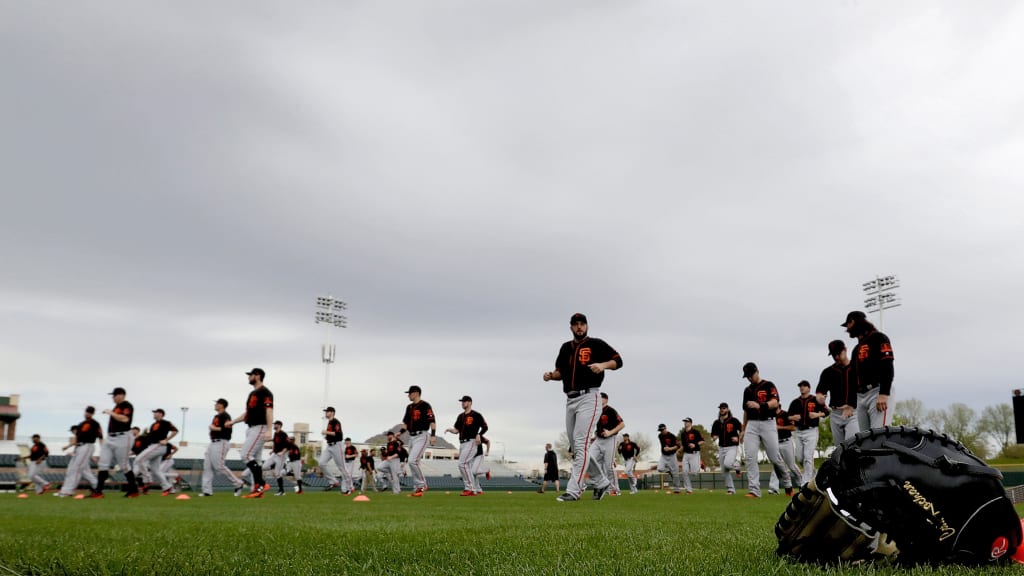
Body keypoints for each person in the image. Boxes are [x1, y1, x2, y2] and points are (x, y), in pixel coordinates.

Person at [543, 312, 622, 502]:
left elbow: (618, 361)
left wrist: (603, 365)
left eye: (582, 324)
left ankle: (574, 490)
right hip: (570, 399)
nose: (579, 327)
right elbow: (560, 372)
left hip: (590, 396)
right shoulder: (565, 348)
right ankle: (601, 481)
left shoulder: (596, 344)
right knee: (578, 448)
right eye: (576, 324)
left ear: (587, 326)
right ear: (571, 327)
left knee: (580, 443)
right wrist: (551, 376)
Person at [740, 362, 792, 498]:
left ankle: (787, 483)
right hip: (751, 424)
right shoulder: (747, 390)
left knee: (775, 457)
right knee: (750, 456)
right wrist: (743, 429)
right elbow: (745, 411)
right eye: (747, 376)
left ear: (757, 371)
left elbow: (775, 403)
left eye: (751, 375)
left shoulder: (769, 385)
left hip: (768, 423)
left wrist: (760, 405)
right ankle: (754, 490)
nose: (749, 378)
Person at [842, 311, 895, 431]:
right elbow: (853, 377)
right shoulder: (856, 348)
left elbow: (888, 365)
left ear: (853, 321)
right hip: (861, 396)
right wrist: (850, 403)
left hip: (877, 391)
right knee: (865, 439)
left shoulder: (879, 337)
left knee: (878, 436)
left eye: (848, 325)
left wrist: (884, 393)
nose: (847, 329)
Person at [228, 367, 274, 499]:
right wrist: (233, 422)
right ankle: (258, 491)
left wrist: (269, 430)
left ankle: (261, 484)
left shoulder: (265, 392)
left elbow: (269, 411)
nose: (248, 377)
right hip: (251, 427)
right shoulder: (252, 394)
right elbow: (248, 413)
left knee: (246, 455)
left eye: (251, 375)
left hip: (260, 427)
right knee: (257, 460)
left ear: (258, 376)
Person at [816, 339, 858, 446]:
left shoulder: (857, 368)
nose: (836, 357)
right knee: (839, 449)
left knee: (851, 444)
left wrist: (852, 405)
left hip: (854, 412)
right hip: (836, 413)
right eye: (834, 355)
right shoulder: (828, 372)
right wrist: (820, 398)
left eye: (838, 353)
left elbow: (864, 391)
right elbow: (820, 392)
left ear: (845, 350)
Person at [200, 398, 245, 498]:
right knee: (207, 467)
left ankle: (238, 483)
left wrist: (214, 428)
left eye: (217, 403)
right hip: (213, 443)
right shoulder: (217, 416)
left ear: (222, 405)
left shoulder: (225, 416)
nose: (215, 405)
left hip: (222, 442)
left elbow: (227, 430)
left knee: (219, 466)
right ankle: (207, 491)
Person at [96, 387, 136, 498]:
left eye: (115, 395)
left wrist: (111, 413)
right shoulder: (117, 407)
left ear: (122, 395)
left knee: (124, 465)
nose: (113, 397)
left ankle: (133, 490)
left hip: (123, 437)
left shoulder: (127, 405)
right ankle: (98, 491)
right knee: (103, 463)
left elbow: (125, 419)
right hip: (110, 438)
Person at [446, 395, 488, 496]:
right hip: (462, 443)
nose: (462, 403)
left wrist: (479, 434)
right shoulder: (461, 416)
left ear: (469, 402)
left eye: (464, 401)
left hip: (471, 442)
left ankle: (470, 488)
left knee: (462, 464)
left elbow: (485, 427)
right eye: (462, 402)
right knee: (466, 466)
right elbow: (456, 430)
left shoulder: (476, 415)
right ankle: (472, 488)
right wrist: (450, 430)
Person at [788, 380, 828, 485]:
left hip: (811, 431)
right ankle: (813, 472)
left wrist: (816, 415)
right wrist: (793, 417)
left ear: (809, 388)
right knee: (800, 458)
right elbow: (788, 416)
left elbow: (827, 412)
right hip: (798, 431)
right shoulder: (795, 402)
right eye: (800, 386)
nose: (802, 388)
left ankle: (805, 483)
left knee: (807, 456)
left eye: (804, 386)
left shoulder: (815, 400)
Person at [58, 406, 102, 498]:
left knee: (77, 468)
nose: (87, 413)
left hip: (87, 446)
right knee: (74, 469)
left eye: (90, 412)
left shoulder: (95, 423)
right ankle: (65, 490)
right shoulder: (81, 424)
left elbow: (100, 436)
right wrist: (68, 446)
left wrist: (102, 450)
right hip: (79, 447)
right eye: (87, 412)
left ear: (93, 413)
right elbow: (77, 438)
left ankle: (68, 491)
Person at [399, 385, 436, 496]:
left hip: (422, 435)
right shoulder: (409, 407)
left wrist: (433, 435)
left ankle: (422, 484)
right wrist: (400, 433)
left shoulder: (425, 405)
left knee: (412, 461)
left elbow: (432, 421)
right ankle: (417, 489)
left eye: (409, 393)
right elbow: (405, 423)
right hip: (412, 437)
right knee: (414, 463)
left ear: (416, 393)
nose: (408, 395)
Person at [134, 409, 179, 496]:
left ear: (161, 414)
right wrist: (145, 434)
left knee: (139, 460)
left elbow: (175, 431)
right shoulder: (153, 425)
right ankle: (167, 487)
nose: (154, 414)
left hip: (158, 445)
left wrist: (167, 439)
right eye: (154, 412)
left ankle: (147, 480)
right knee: (156, 470)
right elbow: (151, 436)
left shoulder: (165, 422)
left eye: (156, 412)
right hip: (154, 446)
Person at [590, 392, 624, 498]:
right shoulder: (596, 411)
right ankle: (600, 485)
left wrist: (610, 432)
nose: (599, 399)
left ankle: (614, 489)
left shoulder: (611, 410)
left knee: (609, 467)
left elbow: (622, 424)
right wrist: (595, 435)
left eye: (601, 398)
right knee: (588, 460)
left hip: (610, 440)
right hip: (599, 440)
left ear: (606, 400)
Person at [768, 406, 802, 495]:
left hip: (786, 441)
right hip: (775, 442)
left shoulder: (785, 414)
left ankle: (802, 484)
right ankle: (774, 488)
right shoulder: (770, 416)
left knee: (791, 466)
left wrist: (780, 427)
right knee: (776, 465)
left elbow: (793, 428)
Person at [710, 402, 742, 495]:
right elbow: (713, 434)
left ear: (727, 409)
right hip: (721, 447)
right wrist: (714, 437)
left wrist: (738, 437)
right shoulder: (717, 422)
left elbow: (743, 429)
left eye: (724, 408)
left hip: (732, 446)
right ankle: (731, 490)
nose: (722, 410)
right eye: (721, 408)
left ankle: (737, 466)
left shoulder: (733, 420)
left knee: (728, 464)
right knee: (724, 471)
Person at [319, 407, 346, 491]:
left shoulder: (336, 422)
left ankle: (349, 487)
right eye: (326, 412)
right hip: (329, 446)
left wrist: (326, 432)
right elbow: (331, 434)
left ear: (332, 413)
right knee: (321, 463)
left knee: (342, 468)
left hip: (337, 446)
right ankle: (333, 481)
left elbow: (338, 435)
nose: (326, 413)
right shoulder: (329, 422)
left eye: (327, 411)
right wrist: (327, 436)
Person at [680, 417, 704, 494]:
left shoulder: (695, 432)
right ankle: (688, 490)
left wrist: (695, 444)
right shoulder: (683, 434)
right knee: (684, 472)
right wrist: (678, 450)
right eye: (684, 422)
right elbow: (683, 445)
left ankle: (701, 464)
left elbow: (702, 441)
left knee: (694, 473)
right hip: (686, 454)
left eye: (687, 422)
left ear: (690, 423)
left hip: (695, 454)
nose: (685, 423)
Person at [655, 423, 682, 494]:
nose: (661, 431)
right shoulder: (660, 436)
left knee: (675, 474)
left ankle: (677, 490)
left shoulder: (672, 436)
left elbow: (678, 446)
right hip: (663, 456)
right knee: (660, 469)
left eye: (662, 430)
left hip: (672, 456)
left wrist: (670, 448)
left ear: (665, 428)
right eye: (660, 430)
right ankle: (669, 471)